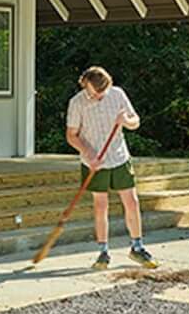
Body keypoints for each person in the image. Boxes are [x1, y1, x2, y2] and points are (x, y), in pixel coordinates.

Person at [65, 65, 153, 268]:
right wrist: (89, 154)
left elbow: (135, 121)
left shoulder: (118, 94)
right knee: (100, 205)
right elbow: (71, 135)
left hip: (119, 157)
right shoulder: (77, 103)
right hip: (93, 162)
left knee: (131, 201)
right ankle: (103, 252)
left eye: (102, 93)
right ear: (85, 84)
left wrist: (126, 121)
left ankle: (137, 247)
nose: (98, 97)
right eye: (95, 93)